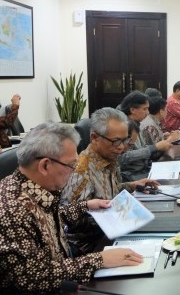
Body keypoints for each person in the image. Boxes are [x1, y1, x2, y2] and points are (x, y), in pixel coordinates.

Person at [0, 123, 143, 294]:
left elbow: (46, 221)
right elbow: (32, 277)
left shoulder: (33, 188)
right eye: (71, 165)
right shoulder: (12, 209)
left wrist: (85, 206)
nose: (74, 170)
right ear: (45, 166)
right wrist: (100, 259)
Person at [61, 108, 159, 256]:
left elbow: (107, 192)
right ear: (94, 138)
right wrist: (121, 213)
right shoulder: (81, 171)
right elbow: (70, 221)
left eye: (125, 140)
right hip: (90, 247)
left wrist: (132, 185)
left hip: (113, 234)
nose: (121, 147)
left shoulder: (109, 158)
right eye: (115, 141)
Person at [118, 91, 179, 182]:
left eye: (148, 109)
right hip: (132, 176)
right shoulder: (123, 127)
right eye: (144, 109)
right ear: (132, 110)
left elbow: (141, 148)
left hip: (144, 170)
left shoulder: (136, 123)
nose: (147, 113)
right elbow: (122, 157)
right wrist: (154, 148)